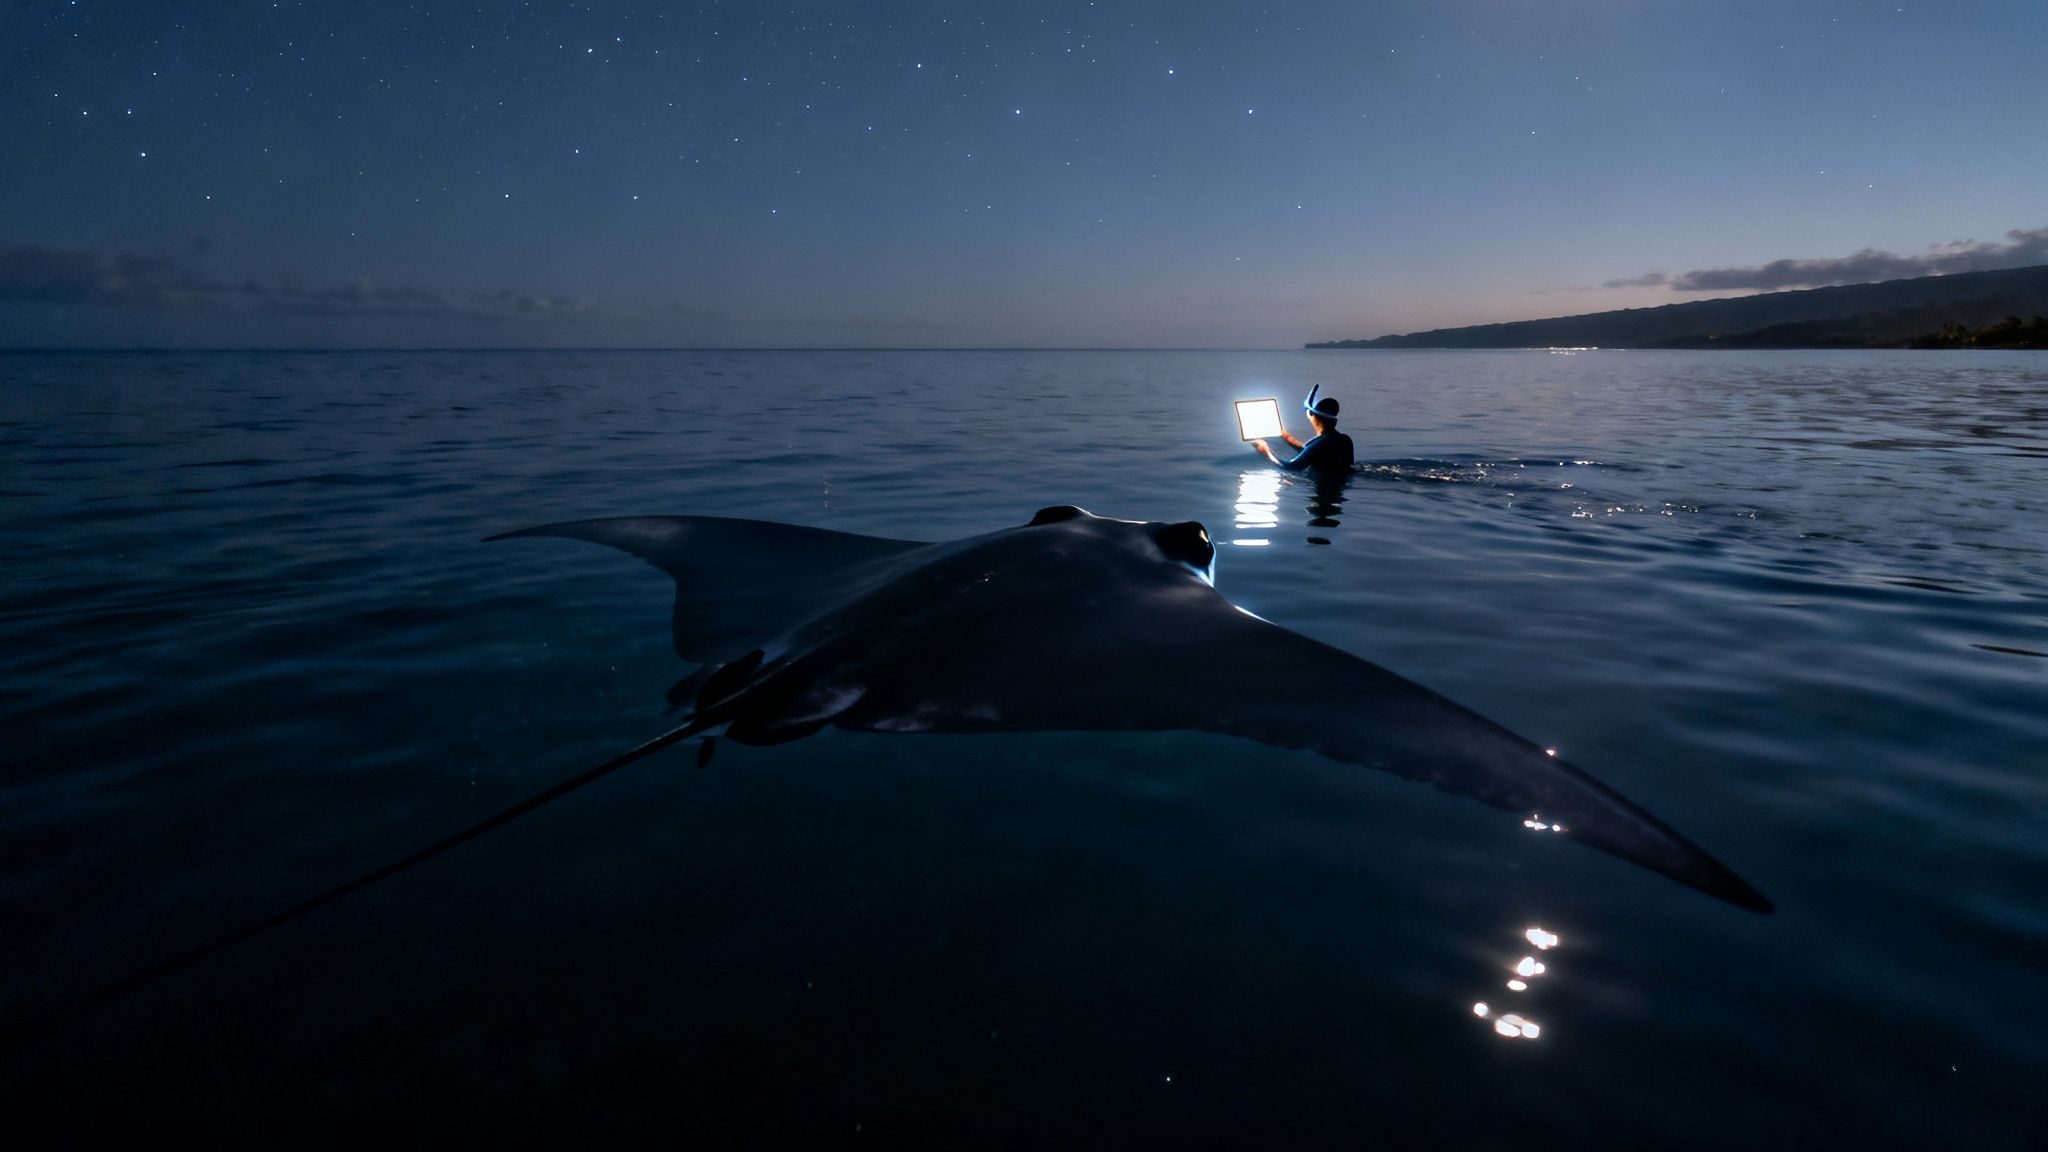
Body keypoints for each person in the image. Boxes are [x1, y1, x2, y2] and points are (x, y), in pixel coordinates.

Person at [1252, 385, 1354, 473]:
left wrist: (1266, 453)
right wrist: (1287, 438)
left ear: (1311, 413)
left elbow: (1292, 467)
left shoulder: (1321, 444)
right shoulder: (1344, 440)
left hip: (1324, 492)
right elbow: (1311, 453)